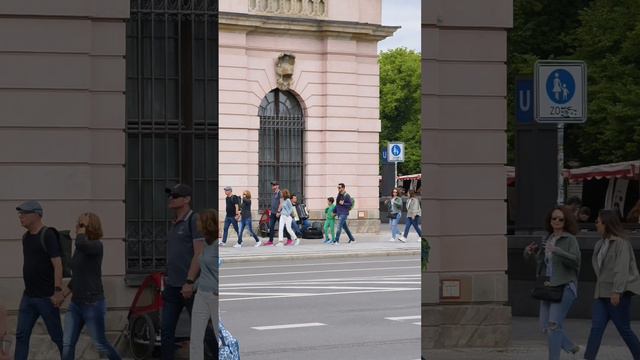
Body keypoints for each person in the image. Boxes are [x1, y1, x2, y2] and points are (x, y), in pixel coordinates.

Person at [161, 184, 214, 360]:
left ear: (186, 199)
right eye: (170, 196)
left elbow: (199, 252)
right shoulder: (174, 223)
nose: (171, 198)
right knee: (166, 331)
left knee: (203, 331)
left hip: (191, 288)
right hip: (172, 286)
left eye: (175, 196)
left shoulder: (193, 220)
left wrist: (190, 281)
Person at [524, 205, 581, 360]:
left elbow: (576, 262)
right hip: (548, 286)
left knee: (554, 326)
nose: (556, 221)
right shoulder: (547, 238)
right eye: (553, 218)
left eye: (560, 219)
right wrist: (530, 252)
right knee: (545, 326)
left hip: (565, 286)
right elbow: (542, 263)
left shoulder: (570, 239)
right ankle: (570, 346)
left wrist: (558, 251)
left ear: (566, 221)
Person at [61, 213, 120, 360]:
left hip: (92, 303)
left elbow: (81, 243)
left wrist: (81, 232)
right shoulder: (81, 248)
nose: (77, 227)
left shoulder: (96, 246)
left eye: (81, 225)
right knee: (67, 343)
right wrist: (63, 294)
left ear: (90, 228)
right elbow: (77, 276)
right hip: (76, 304)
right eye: (77, 224)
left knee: (100, 343)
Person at [584, 209, 640, 359]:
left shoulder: (621, 243)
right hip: (601, 293)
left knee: (624, 329)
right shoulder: (600, 244)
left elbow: (621, 269)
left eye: (598, 222)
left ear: (606, 224)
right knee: (596, 329)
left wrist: (617, 291)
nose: (596, 224)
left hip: (616, 294)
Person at [14, 201, 64, 360]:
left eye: (24, 214)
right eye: (19, 214)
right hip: (28, 297)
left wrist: (57, 291)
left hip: (46, 298)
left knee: (57, 337)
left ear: (36, 215)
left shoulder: (48, 234)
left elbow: (57, 265)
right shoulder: (25, 237)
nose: (20, 217)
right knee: (21, 336)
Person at [189, 209, 221, 360]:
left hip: (215, 296)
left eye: (200, 222)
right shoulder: (205, 243)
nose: (197, 224)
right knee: (195, 338)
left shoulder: (217, 246)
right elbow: (205, 271)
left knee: (220, 337)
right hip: (201, 294)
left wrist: (217, 291)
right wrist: (193, 285)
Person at [265, 181, 283, 246]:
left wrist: (278, 211)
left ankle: (289, 239)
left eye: (274, 185)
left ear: (277, 186)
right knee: (271, 226)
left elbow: (281, 203)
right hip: (272, 213)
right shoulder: (274, 193)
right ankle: (270, 241)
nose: (273, 186)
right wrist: (270, 210)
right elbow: (273, 203)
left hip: (278, 213)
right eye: (272, 185)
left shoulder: (280, 193)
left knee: (282, 227)